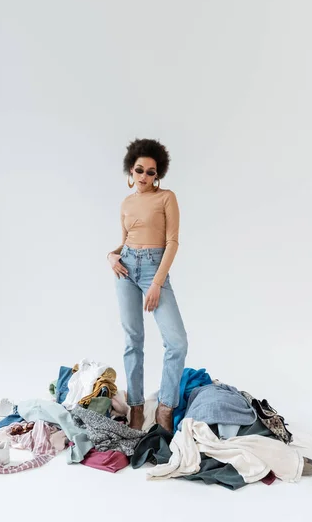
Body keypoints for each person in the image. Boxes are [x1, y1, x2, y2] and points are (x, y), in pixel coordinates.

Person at [107, 138, 188, 432]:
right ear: (131, 169)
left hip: (155, 269)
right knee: (133, 342)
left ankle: (166, 408)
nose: (144, 177)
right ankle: (136, 409)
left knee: (177, 342)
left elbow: (172, 242)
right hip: (125, 270)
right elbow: (127, 240)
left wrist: (156, 283)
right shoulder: (126, 203)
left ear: (159, 175)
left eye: (150, 172)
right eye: (139, 170)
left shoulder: (167, 198)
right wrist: (110, 255)